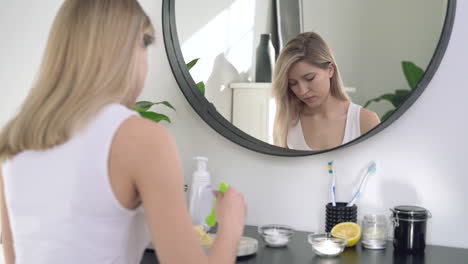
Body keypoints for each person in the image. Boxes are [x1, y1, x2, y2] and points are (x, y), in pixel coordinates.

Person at [0, 1, 246, 263]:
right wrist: (230, 226)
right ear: (129, 48)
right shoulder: (139, 138)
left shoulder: (16, 137)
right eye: (147, 45)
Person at [272, 32, 380, 151]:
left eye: (309, 78)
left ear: (330, 70)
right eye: (293, 83)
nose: (302, 91)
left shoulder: (364, 121)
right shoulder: (287, 123)